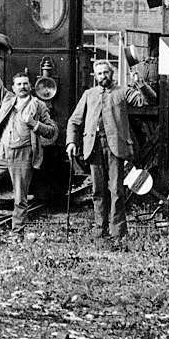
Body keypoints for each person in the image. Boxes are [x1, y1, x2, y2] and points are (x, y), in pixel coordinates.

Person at [0, 41, 57, 236]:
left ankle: (17, 232)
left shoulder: (38, 105)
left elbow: (52, 131)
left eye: (26, 84)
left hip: (23, 155)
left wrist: (35, 124)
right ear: (13, 87)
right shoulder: (7, 99)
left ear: (30, 86)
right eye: (19, 84)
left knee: (20, 197)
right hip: (2, 152)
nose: (23, 87)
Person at [65, 57, 147, 245]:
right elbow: (74, 121)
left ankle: (117, 230)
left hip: (115, 147)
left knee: (116, 189)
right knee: (97, 190)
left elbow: (145, 100)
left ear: (112, 74)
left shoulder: (123, 92)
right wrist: (71, 142)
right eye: (100, 73)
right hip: (93, 146)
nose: (103, 76)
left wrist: (139, 83)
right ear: (96, 75)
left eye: (106, 72)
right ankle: (99, 228)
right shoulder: (89, 94)